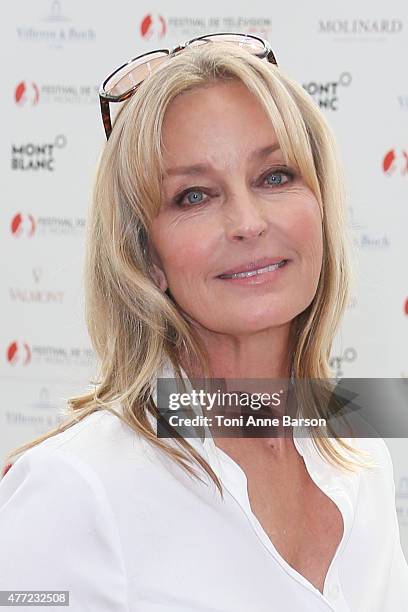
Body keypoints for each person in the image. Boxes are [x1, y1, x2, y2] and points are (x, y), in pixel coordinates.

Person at [1, 33, 407, 611]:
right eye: (194, 196)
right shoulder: (73, 488)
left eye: (275, 177)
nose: (247, 223)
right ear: (145, 254)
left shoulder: (357, 449)